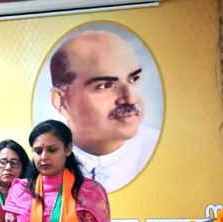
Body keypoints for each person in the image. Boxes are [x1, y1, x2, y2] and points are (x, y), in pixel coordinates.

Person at [49, 30, 160, 193]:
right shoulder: (45, 162)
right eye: (105, 86)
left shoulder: (158, 148)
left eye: (133, 79)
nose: (130, 99)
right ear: (61, 101)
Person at [0, 139, 30, 205]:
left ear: (23, 167)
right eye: (2, 162)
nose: (8, 167)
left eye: (14, 163)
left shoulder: (32, 194)